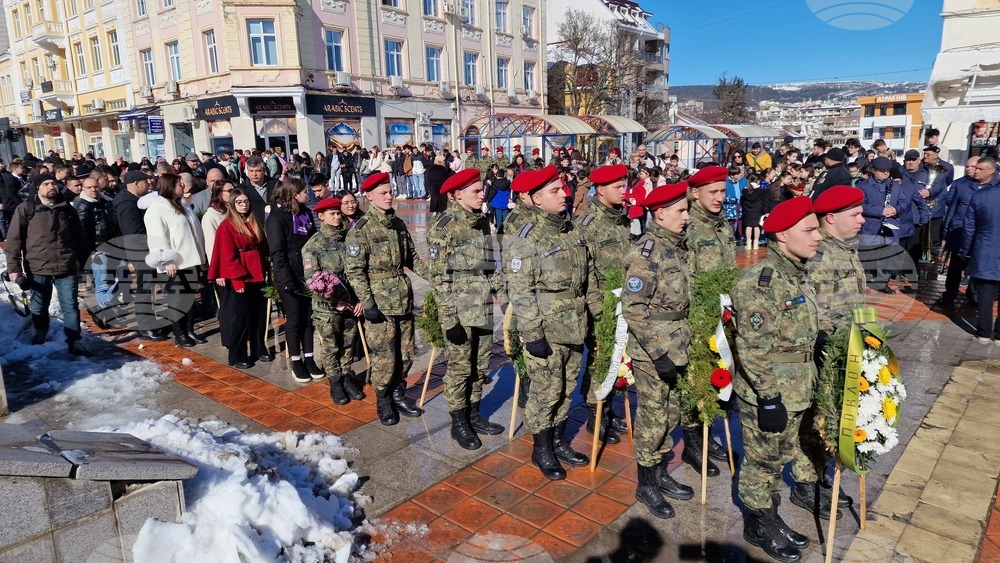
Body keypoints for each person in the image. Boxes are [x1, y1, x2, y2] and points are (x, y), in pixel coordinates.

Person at [733, 196, 823, 563]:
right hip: (770, 392)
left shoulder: (795, 275)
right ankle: (757, 526)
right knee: (762, 464)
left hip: (796, 386)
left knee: (780, 457)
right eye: (810, 229)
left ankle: (770, 517)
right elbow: (752, 348)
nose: (818, 236)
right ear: (783, 235)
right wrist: (769, 398)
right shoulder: (763, 284)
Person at [505, 165, 602, 480]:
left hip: (574, 324)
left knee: (566, 387)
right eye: (555, 191)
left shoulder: (572, 229)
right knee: (545, 392)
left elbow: (589, 282)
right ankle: (541, 448)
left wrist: (597, 317)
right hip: (546, 328)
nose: (565, 194)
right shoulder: (526, 237)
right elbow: (520, 291)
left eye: (563, 189)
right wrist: (532, 333)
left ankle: (559, 441)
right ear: (535, 198)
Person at [621, 182, 696, 519]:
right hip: (655, 349)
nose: (687, 217)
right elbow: (633, 308)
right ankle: (646, 483)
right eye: (681, 211)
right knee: (653, 417)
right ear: (660, 213)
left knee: (672, 413)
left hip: (679, 341)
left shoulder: (678, 247)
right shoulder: (646, 252)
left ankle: (661, 472)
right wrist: (659, 353)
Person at [426, 169, 505, 449]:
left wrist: (504, 300)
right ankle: (459, 423)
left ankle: (474, 414)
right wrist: (449, 319)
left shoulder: (482, 222)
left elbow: (490, 265)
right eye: (475, 191)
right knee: (460, 368)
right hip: (458, 309)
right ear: (457, 195)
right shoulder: (444, 226)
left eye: (481, 189)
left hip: (482, 306)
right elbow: (438, 278)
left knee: (480, 364)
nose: (482, 194)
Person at [344, 172, 429, 425]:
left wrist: (436, 278)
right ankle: (383, 400)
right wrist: (368, 304)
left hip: (402, 299)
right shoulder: (361, 231)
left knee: (406, 352)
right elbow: (355, 272)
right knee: (384, 355)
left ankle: (399, 393)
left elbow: (412, 259)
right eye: (383, 192)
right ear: (369, 197)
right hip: (380, 304)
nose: (389, 196)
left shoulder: (399, 225)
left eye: (390, 191)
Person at [680, 165, 735, 474]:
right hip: (698, 315)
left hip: (722, 313)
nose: (719, 198)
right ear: (695, 193)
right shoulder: (689, 227)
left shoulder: (722, 226)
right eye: (712, 192)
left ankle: (708, 432)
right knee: (695, 378)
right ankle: (692, 444)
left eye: (722, 192)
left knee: (719, 373)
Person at [575, 164, 632, 445]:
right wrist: (599, 313)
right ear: (600, 190)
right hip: (601, 308)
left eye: (625, 185)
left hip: (623, 305)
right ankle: (595, 412)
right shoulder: (587, 225)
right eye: (618, 187)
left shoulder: (622, 219)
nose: (625, 191)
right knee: (600, 362)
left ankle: (608, 408)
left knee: (617, 361)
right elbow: (584, 275)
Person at [4, 174, 90, 355]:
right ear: (37, 188)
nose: (51, 186)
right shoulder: (26, 209)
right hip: (37, 267)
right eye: (46, 184)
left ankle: (74, 340)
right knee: (39, 305)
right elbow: (14, 241)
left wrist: (84, 263)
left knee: (70, 305)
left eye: (53, 183)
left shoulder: (67, 209)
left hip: (66, 265)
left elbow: (79, 239)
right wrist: (14, 269)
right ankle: (40, 331)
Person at [302, 197, 367, 404]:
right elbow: (313, 279)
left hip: (350, 304)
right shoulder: (313, 245)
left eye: (338, 213)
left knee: (348, 345)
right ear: (320, 216)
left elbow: (358, 271)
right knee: (331, 347)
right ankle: (336, 383)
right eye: (332, 214)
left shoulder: (349, 239)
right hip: (327, 309)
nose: (337, 216)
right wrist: (334, 301)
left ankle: (348, 378)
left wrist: (360, 300)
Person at [267, 178, 323, 383]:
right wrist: (285, 279)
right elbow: (277, 253)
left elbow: (314, 240)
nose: (308, 194)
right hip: (288, 275)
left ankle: (309, 359)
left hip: (307, 273)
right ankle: (296, 361)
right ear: (293, 194)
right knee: (294, 319)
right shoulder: (277, 218)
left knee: (308, 318)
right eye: (304, 191)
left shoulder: (306, 213)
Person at [208, 188, 270, 368]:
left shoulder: (253, 222)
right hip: (241, 276)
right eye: (239, 202)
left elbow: (263, 246)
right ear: (233, 204)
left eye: (246, 202)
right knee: (240, 318)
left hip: (257, 273)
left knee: (258, 315)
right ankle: (238, 353)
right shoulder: (227, 225)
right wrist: (237, 280)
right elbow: (228, 255)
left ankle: (259, 347)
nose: (244, 205)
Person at [113, 170, 168, 340]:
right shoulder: (127, 204)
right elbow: (134, 232)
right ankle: (145, 326)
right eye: (146, 181)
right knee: (145, 288)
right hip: (140, 252)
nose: (150, 183)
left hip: (144, 251)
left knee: (149, 287)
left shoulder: (133, 199)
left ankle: (150, 322)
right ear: (136, 184)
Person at [961, 157, 1000, 343]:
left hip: (986, 250)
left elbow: (969, 227)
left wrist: (967, 250)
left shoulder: (981, 195)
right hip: (988, 248)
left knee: (986, 292)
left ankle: (984, 333)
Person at [73, 175, 121, 326]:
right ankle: (104, 312)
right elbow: (80, 232)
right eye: (89, 187)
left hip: (113, 245)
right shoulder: (82, 205)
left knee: (122, 278)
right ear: (83, 188)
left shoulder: (105, 201)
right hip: (98, 249)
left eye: (96, 186)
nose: (94, 190)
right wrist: (89, 251)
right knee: (104, 284)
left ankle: (100, 309)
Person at [940, 156, 983, 306]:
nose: (970, 169)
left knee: (975, 267)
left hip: (979, 234)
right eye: (968, 166)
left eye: (974, 167)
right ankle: (949, 295)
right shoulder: (959, 184)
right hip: (959, 231)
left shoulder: (990, 185)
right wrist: (946, 232)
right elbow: (951, 209)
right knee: (955, 268)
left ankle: (973, 295)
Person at [201, 181, 233, 261]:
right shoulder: (210, 217)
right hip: (225, 263)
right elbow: (211, 247)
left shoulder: (234, 212)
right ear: (219, 193)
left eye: (234, 190)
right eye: (229, 191)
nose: (233, 194)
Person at [741, 177, 767, 250]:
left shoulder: (745, 191)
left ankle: (748, 243)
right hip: (757, 210)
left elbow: (742, 200)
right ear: (758, 181)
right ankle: (756, 243)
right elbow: (763, 201)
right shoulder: (761, 191)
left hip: (747, 211)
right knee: (756, 227)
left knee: (748, 226)